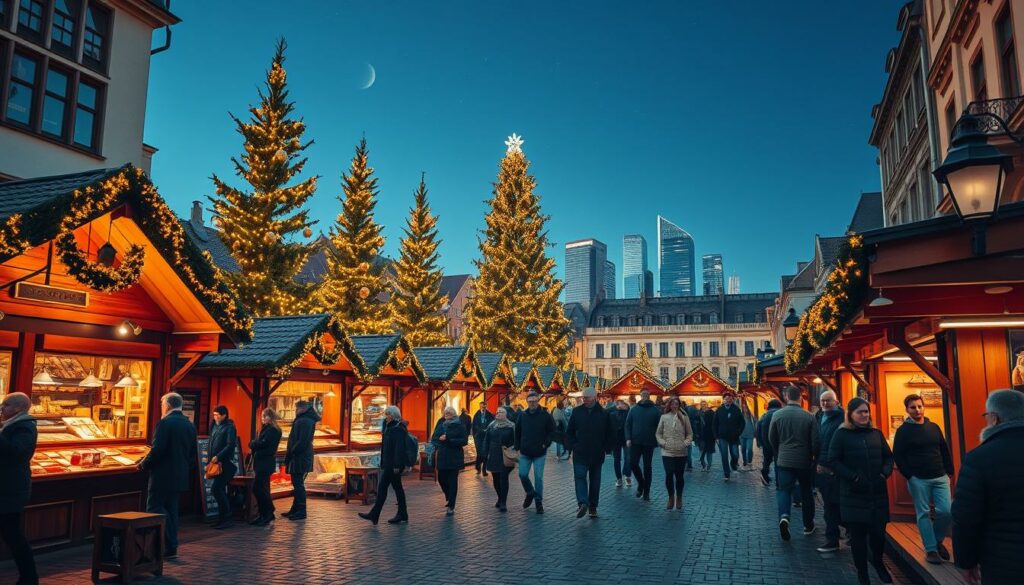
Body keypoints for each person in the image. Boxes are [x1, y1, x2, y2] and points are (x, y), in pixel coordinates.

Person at [952, 389, 1024, 585]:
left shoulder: (979, 458)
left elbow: (965, 517)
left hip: (1003, 561)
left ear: (994, 418)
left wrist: (966, 561)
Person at [828, 397, 894, 585]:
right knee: (858, 538)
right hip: (853, 494)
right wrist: (853, 477)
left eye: (866, 411)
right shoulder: (841, 434)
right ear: (851, 415)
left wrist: (884, 473)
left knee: (879, 535)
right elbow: (833, 460)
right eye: (860, 412)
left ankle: (878, 562)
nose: (864, 415)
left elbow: (888, 457)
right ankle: (862, 573)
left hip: (877, 494)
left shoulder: (876, 433)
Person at [893, 393, 954, 565]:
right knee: (924, 513)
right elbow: (898, 454)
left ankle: (937, 540)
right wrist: (909, 476)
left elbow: (943, 448)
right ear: (907, 409)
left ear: (923, 407)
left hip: (940, 475)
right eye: (913, 407)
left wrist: (949, 470)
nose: (917, 410)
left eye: (919, 406)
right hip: (918, 478)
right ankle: (931, 550)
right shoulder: (903, 431)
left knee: (946, 511)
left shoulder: (933, 427)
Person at [139, 392, 197, 560]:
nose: (162, 408)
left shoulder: (165, 423)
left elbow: (157, 450)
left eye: (162, 405)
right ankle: (171, 546)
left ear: (167, 406)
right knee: (172, 510)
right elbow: (193, 455)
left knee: (155, 508)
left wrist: (143, 464)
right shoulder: (189, 425)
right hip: (180, 476)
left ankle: (153, 548)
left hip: (162, 476)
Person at [769, 385, 819, 541]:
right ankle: (808, 524)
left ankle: (784, 516)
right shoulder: (809, 417)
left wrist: (779, 452)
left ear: (786, 397)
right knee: (806, 491)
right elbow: (816, 441)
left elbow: (772, 438)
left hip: (784, 460)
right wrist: (813, 456)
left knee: (784, 490)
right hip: (804, 460)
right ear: (801, 398)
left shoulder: (777, 415)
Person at [0, 393, 38, 584]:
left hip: (11, 490)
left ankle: (29, 578)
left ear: (17, 409)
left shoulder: (24, 427)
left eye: (5, 406)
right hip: (7, 488)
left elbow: (16, 453)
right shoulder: (10, 425)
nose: (1, 409)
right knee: (11, 534)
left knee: (13, 535)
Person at [566, 387, 614, 518]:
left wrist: (606, 448)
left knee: (595, 480)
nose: (584, 400)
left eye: (586, 397)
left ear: (594, 397)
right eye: (583, 397)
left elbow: (609, 433)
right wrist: (574, 445)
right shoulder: (577, 412)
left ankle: (593, 506)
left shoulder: (603, 414)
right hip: (580, 452)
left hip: (597, 452)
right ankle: (583, 503)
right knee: (580, 477)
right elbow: (569, 431)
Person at [359, 406, 411, 525]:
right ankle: (401, 514)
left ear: (392, 416)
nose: (385, 417)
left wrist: (397, 465)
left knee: (384, 488)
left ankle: (376, 514)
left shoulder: (397, 428)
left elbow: (399, 448)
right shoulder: (389, 427)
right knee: (396, 488)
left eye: (387, 414)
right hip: (389, 463)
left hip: (393, 465)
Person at [814, 390, 845, 553]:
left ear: (837, 402)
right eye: (823, 401)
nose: (825, 403)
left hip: (834, 469)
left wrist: (826, 463)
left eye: (828, 401)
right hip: (822, 469)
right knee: (830, 505)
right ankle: (834, 536)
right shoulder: (819, 417)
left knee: (833, 506)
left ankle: (833, 538)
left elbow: (834, 446)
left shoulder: (842, 419)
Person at [515, 392, 554, 514]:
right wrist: (517, 447)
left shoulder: (545, 415)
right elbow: (517, 431)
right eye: (530, 401)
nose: (532, 403)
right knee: (522, 474)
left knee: (538, 477)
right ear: (527, 402)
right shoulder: (522, 415)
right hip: (525, 452)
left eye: (534, 401)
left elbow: (552, 431)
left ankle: (538, 501)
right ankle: (530, 493)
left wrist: (545, 444)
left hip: (539, 453)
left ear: (538, 401)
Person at [283, 399, 319, 521]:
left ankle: (301, 510)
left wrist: (293, 451)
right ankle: (295, 508)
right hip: (301, 456)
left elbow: (302, 441)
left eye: (297, 408)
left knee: (298, 484)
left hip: (300, 456)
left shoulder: (305, 421)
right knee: (297, 483)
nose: (295, 410)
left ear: (303, 409)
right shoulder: (306, 419)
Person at [656, 397, 693, 510]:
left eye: (676, 404)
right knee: (669, 473)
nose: (674, 406)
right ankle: (671, 497)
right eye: (672, 404)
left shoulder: (685, 418)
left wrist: (685, 443)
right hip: (667, 451)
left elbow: (690, 434)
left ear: (679, 405)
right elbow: (658, 433)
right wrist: (663, 443)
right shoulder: (664, 417)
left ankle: (679, 497)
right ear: (669, 405)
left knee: (679, 476)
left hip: (681, 451)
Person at [431, 405, 468, 516]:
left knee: (452, 481)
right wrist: (438, 440)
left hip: (454, 456)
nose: (447, 415)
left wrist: (449, 440)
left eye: (449, 413)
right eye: (446, 413)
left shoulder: (459, 424)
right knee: (441, 478)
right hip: (442, 454)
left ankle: (451, 505)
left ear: (454, 414)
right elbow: (434, 437)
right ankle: (448, 495)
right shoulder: (441, 422)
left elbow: (464, 440)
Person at [249, 407, 283, 527]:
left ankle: (268, 512)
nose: (263, 419)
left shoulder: (272, 430)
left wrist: (253, 444)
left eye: (265, 416)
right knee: (261, 488)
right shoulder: (268, 429)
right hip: (262, 462)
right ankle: (265, 514)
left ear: (271, 417)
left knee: (258, 488)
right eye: (262, 416)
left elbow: (263, 443)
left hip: (265, 462)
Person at [624, 389, 660, 500]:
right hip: (635, 442)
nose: (644, 396)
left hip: (649, 442)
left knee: (647, 467)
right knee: (633, 463)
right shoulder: (634, 410)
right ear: (640, 396)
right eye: (643, 394)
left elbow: (659, 426)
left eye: (646, 394)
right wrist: (628, 438)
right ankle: (641, 483)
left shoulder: (655, 410)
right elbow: (628, 425)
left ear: (649, 396)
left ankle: (646, 492)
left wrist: (659, 439)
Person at [208, 405, 237, 529]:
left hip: (225, 463)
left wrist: (218, 456)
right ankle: (222, 518)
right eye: (214, 415)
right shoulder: (214, 426)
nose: (215, 417)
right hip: (215, 463)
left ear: (224, 415)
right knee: (218, 489)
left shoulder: (229, 427)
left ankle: (227, 517)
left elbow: (230, 445)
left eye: (217, 415)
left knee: (216, 489)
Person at [482, 407, 516, 512]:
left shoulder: (511, 426)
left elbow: (515, 441)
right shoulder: (491, 426)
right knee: (496, 479)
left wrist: (512, 449)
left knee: (503, 478)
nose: (498, 413)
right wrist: (484, 453)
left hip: (505, 455)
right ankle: (500, 498)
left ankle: (503, 502)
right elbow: (486, 440)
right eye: (497, 412)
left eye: (501, 412)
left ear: (505, 414)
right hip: (493, 455)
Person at [712, 392, 745, 481]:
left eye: (729, 399)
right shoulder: (719, 410)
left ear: (732, 400)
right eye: (726, 399)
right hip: (722, 436)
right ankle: (727, 473)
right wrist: (716, 436)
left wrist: (738, 432)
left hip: (734, 437)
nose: (728, 400)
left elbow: (742, 423)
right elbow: (714, 424)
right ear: (724, 400)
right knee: (724, 455)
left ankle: (733, 463)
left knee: (735, 454)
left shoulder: (736, 409)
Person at [757, 399, 783, 486]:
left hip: (766, 443)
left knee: (767, 461)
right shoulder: (781, 414)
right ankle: (778, 483)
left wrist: (760, 442)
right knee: (777, 463)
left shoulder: (764, 416)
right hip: (778, 443)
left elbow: (758, 429)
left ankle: (765, 475)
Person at [608, 399, 632, 487]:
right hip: (615, 439)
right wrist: (615, 407)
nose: (621, 405)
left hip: (626, 438)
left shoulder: (628, 411)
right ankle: (619, 478)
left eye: (622, 403)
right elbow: (605, 412)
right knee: (616, 459)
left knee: (628, 458)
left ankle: (627, 475)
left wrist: (626, 408)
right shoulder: (612, 412)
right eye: (619, 403)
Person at [472, 404, 494, 475]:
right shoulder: (476, 415)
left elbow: (492, 423)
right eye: (482, 407)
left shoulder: (489, 415)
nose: (483, 408)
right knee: (479, 453)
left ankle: (484, 470)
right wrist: (478, 432)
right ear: (480, 407)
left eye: (484, 407)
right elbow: (474, 425)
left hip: (486, 436)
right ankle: (478, 467)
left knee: (485, 453)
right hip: (478, 436)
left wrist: (487, 430)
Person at [740, 400, 757, 470]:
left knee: (749, 448)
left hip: (750, 434)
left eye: (746, 407)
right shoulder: (740, 415)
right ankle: (744, 461)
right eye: (743, 408)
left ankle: (749, 461)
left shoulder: (752, 415)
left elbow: (756, 423)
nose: (745, 409)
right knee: (743, 449)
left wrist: (755, 432)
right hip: (742, 434)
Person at [699, 402, 716, 471]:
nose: (703, 406)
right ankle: (703, 465)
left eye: (705, 405)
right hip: (701, 435)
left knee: (709, 451)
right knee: (702, 451)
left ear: (707, 405)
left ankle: (709, 465)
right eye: (702, 405)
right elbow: (696, 424)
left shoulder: (712, 413)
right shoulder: (698, 414)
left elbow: (715, 424)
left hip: (710, 435)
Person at [684, 400, 700, 471]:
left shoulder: (682, 412)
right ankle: (689, 465)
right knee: (689, 449)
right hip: (690, 433)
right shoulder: (694, 411)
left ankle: (686, 464)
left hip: (683, 433)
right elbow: (696, 423)